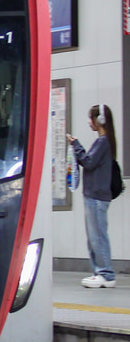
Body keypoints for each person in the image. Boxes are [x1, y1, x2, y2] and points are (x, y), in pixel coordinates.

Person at [68, 104, 119, 288]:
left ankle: (106, 274)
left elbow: (88, 162)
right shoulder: (105, 142)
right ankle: (100, 272)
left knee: (97, 236)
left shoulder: (102, 142)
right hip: (95, 196)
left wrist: (76, 145)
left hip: (96, 197)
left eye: (91, 118)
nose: (89, 122)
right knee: (94, 236)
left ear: (100, 120)